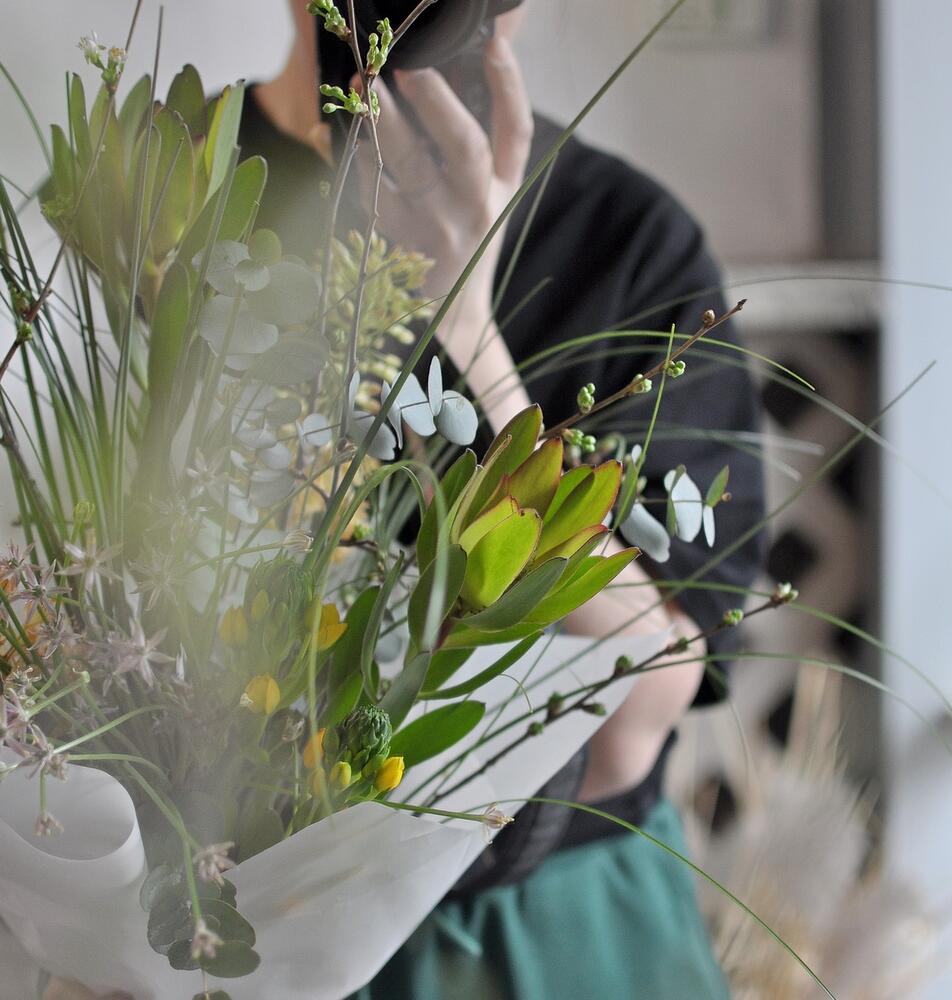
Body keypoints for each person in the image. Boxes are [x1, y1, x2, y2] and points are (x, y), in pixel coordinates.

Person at [45, 1, 765, 997]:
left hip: (540, 922)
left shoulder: (625, 240)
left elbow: (640, 704)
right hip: (198, 914)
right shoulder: (156, 188)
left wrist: (467, 326)